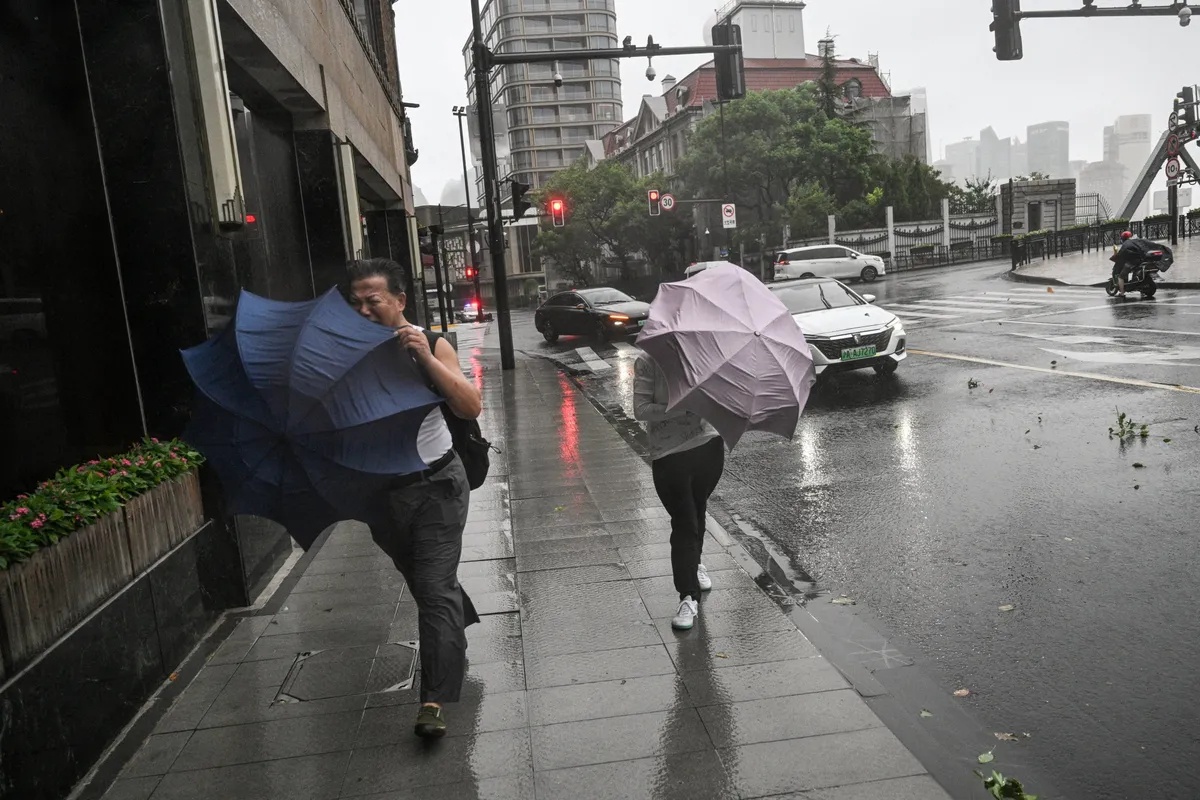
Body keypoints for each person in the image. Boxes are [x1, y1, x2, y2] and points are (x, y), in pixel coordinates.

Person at [346, 258, 483, 739]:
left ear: (399, 301)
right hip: (381, 495)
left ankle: (434, 700)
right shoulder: (349, 355)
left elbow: (469, 405)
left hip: (437, 487)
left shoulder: (430, 342)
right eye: (355, 302)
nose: (363, 311)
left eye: (373, 301)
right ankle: (454, 619)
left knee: (431, 591)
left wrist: (424, 356)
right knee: (425, 580)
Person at [633, 351, 725, 631]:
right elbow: (641, 410)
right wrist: (684, 407)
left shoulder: (707, 354)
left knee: (697, 509)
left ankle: (694, 564)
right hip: (669, 453)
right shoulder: (648, 361)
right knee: (684, 521)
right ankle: (687, 597)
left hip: (708, 446)